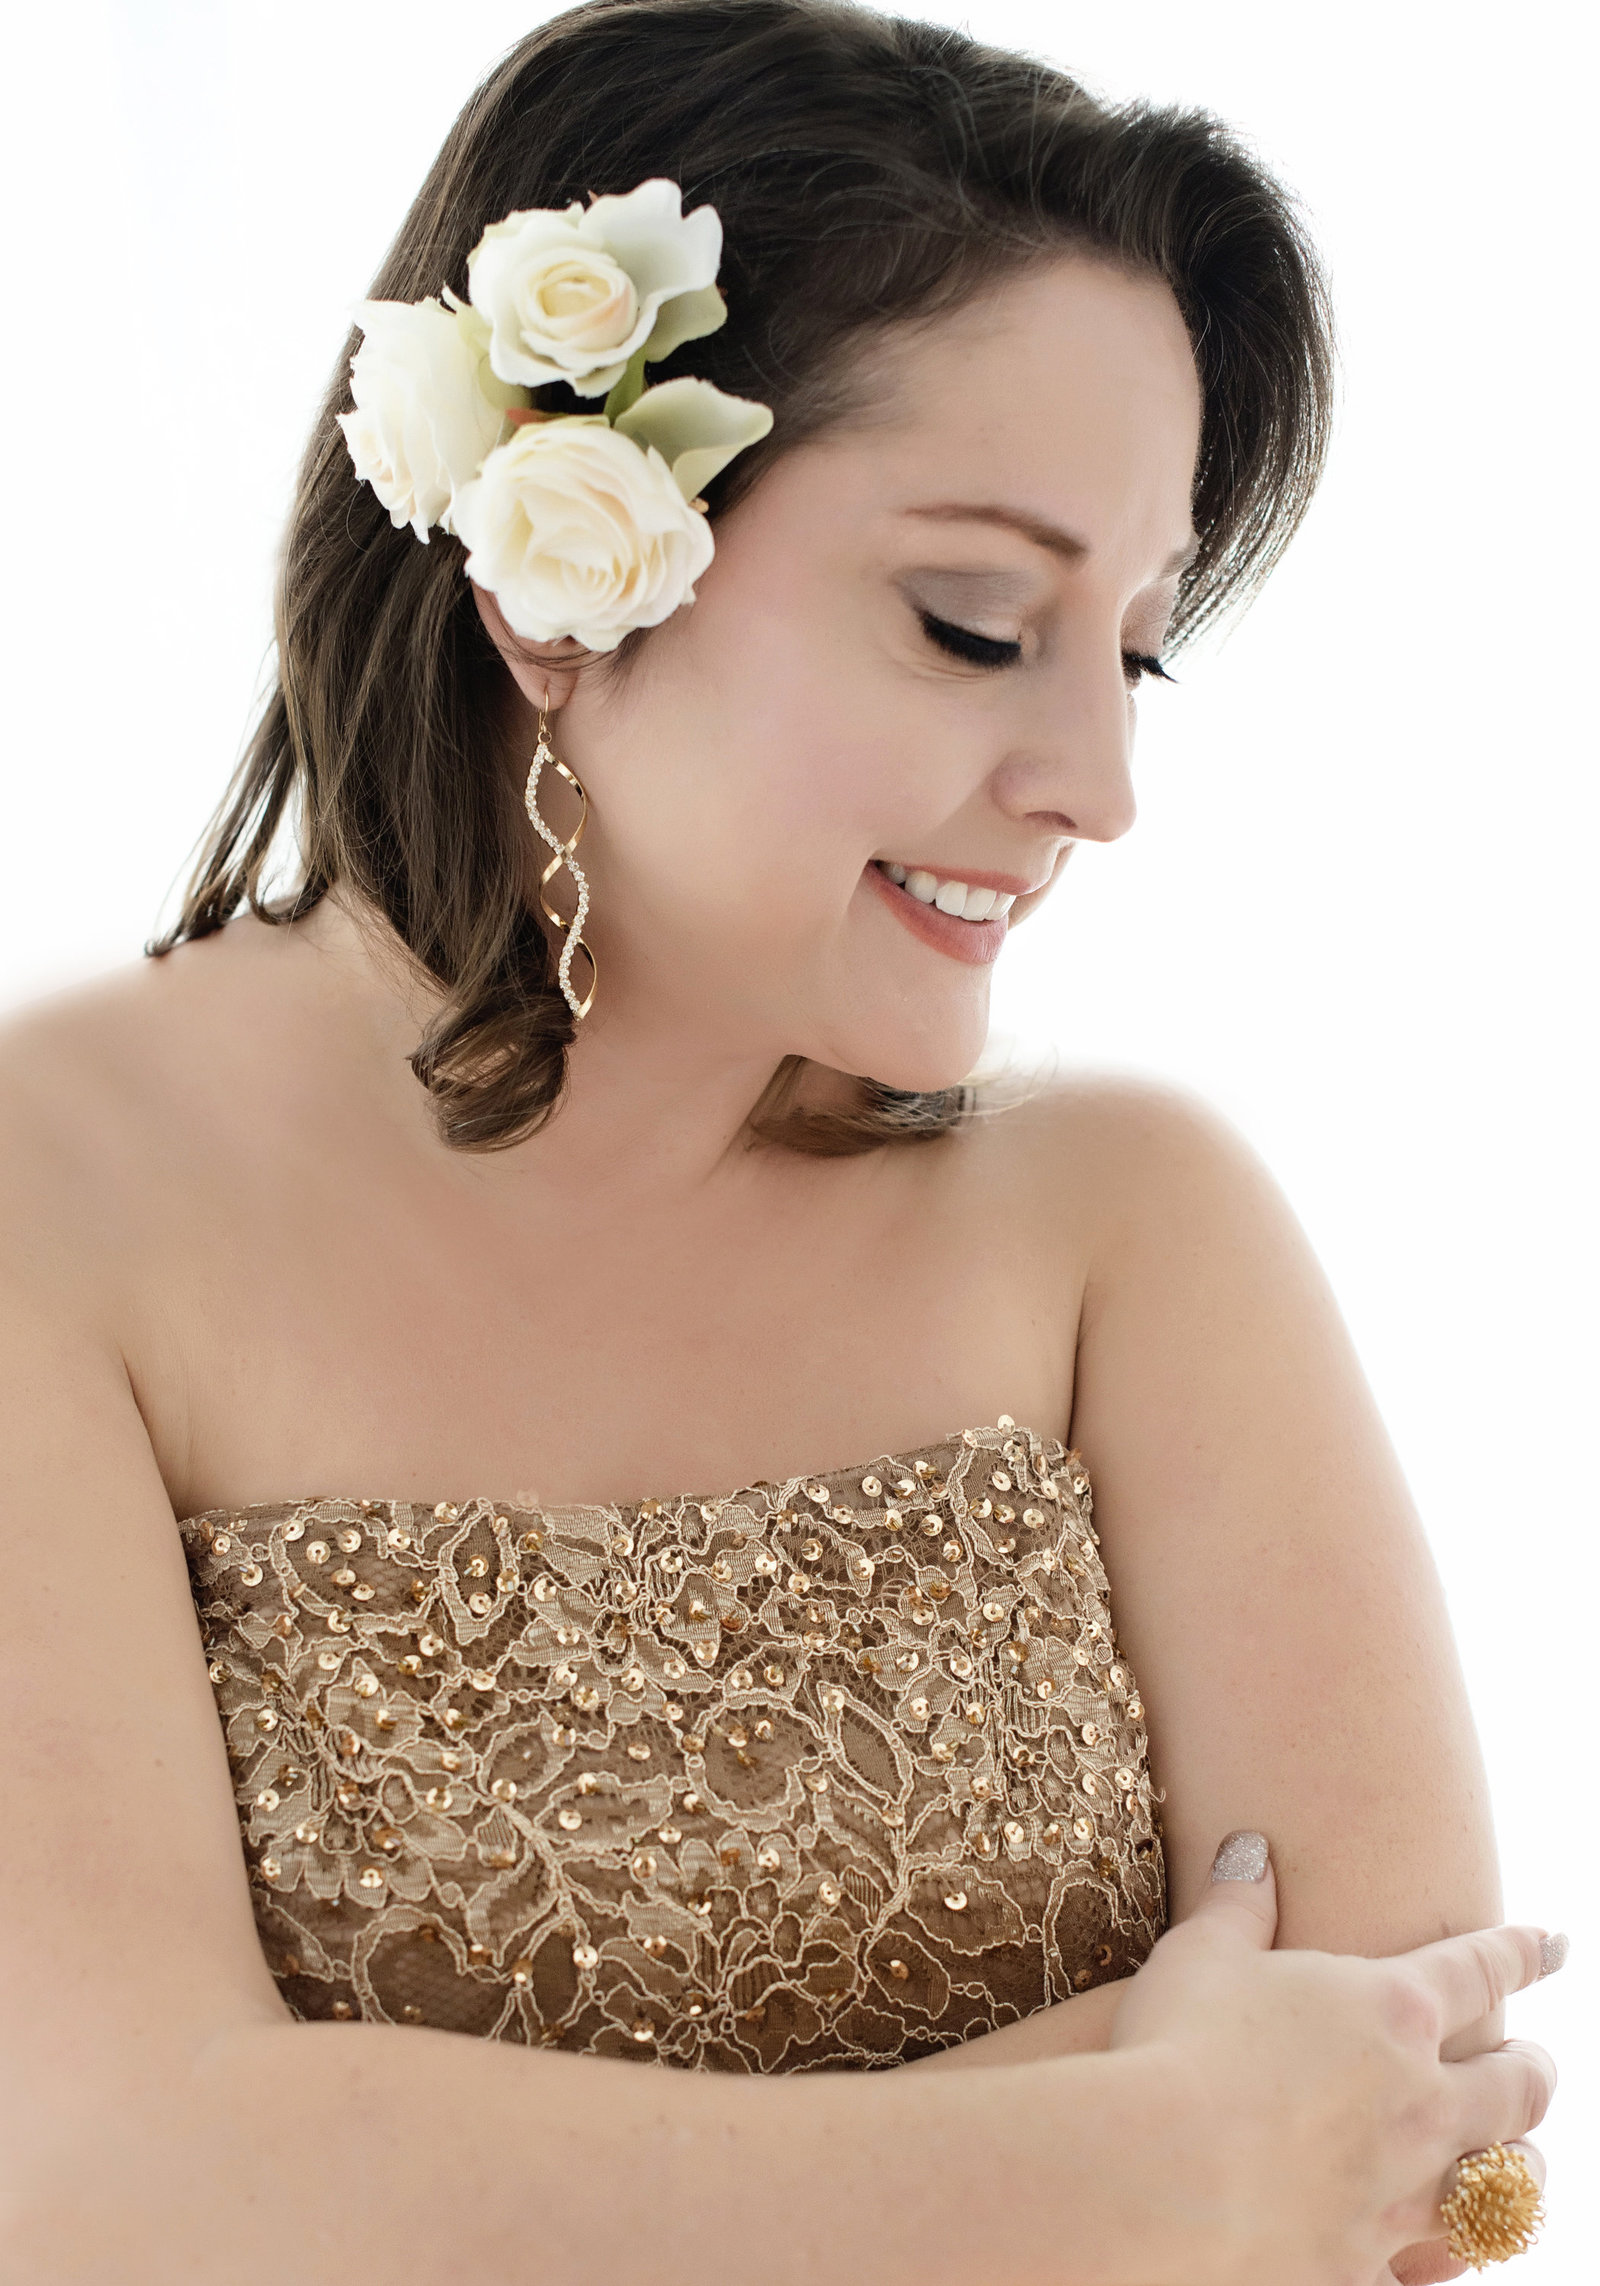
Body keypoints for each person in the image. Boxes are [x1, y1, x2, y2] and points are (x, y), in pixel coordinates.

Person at [0, 1, 1563, 2280]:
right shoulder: (60, 1202)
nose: (1095, 789)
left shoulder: (1129, 1228)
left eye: (1124, 652)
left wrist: (368, 2174)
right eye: (971, 622)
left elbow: (1419, 2156)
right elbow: (99, 2188)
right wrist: (1134, 2161)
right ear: (555, 583)